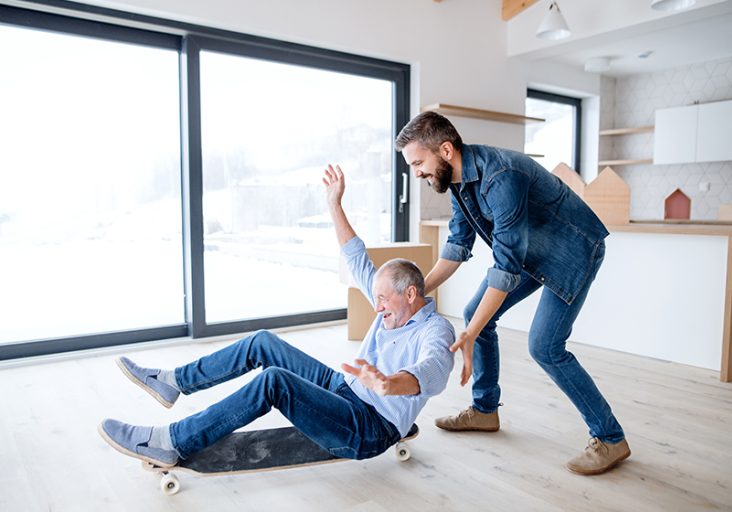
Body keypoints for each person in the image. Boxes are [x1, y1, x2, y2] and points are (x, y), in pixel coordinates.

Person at [98, 164, 455, 467]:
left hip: (369, 424)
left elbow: (433, 372)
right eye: (375, 297)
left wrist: (391, 384)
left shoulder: (435, 331)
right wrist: (334, 203)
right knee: (262, 342)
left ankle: (172, 442)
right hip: (344, 388)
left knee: (275, 381)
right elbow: (355, 255)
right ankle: (175, 381)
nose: (376, 308)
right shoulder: (389, 298)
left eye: (382, 300)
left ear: (410, 294)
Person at [395, 111, 630, 475]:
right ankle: (485, 411)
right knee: (478, 314)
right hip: (530, 252)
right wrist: (413, 294)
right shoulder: (457, 180)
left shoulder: (501, 177)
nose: (417, 173)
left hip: (573, 248)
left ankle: (611, 437)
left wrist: (471, 334)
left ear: (444, 150)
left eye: (418, 163)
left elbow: (504, 268)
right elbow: (458, 245)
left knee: (545, 346)